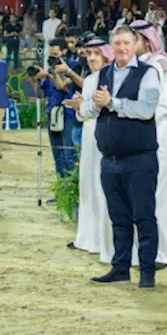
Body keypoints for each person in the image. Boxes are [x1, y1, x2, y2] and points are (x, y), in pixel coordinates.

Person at [89, 26, 163, 289]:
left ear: (135, 45)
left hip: (139, 158)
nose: (121, 48)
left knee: (143, 216)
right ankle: (120, 267)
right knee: (118, 217)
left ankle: (146, 272)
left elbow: (145, 110)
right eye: (117, 43)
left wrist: (112, 103)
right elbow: (89, 108)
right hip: (109, 159)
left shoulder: (149, 73)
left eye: (126, 43)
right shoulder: (103, 74)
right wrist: (92, 105)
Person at [134, 20, 167, 270]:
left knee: (158, 194)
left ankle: (162, 253)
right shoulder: (141, 66)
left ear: (147, 40)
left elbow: (162, 106)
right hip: (141, 137)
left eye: (135, 40)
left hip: (156, 137)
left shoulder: (159, 65)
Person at [71, 37, 110, 256]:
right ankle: (86, 236)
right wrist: (79, 107)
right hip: (88, 133)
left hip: (103, 133)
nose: (92, 58)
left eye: (96, 54)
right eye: (89, 54)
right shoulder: (88, 80)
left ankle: (101, 238)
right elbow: (85, 111)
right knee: (87, 183)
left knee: (100, 183)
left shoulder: (109, 78)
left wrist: (83, 106)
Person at [35, 40, 75, 177]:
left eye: (56, 54)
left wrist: (51, 74)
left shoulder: (72, 66)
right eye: (51, 55)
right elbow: (41, 93)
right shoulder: (50, 70)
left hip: (67, 113)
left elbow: (62, 86)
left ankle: (71, 190)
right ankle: (61, 189)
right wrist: (36, 78)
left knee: (68, 154)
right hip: (52, 112)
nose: (53, 58)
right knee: (57, 154)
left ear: (64, 51)